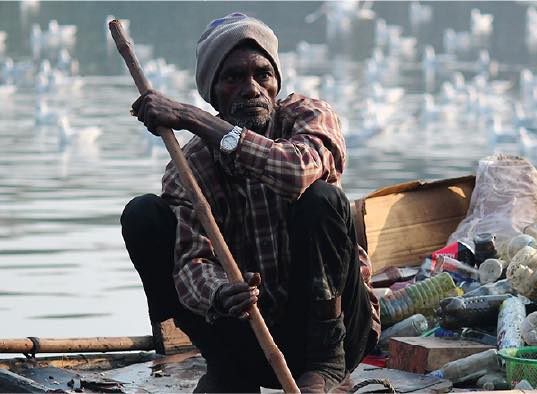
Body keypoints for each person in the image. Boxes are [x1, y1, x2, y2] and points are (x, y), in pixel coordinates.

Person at [120, 12, 379, 392]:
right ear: (214, 91)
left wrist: (192, 118)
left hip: (335, 334)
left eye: (263, 74)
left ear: (276, 81)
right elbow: (190, 261)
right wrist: (220, 293)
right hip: (249, 337)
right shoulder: (190, 166)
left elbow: (295, 172)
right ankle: (225, 367)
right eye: (233, 78)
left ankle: (323, 367)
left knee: (322, 198)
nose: (252, 88)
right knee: (143, 215)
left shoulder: (308, 116)